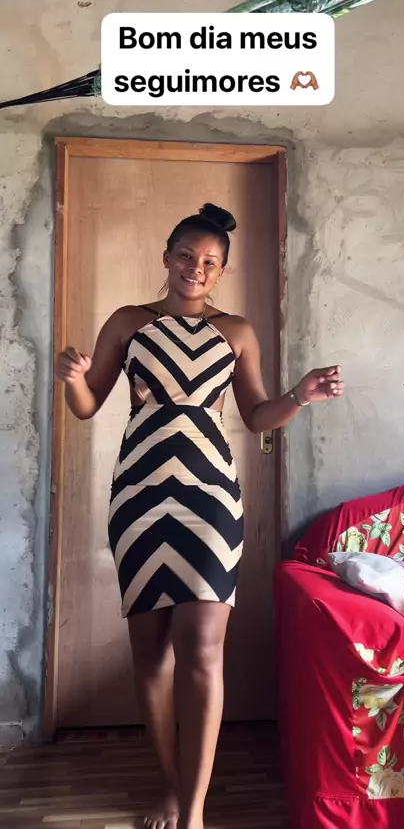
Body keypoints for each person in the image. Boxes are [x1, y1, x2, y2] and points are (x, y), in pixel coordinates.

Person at [55, 202, 344, 829]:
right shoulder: (129, 322)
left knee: (204, 653)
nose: (196, 268)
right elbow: (87, 404)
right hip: (138, 498)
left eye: (210, 262)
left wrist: (299, 396)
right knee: (152, 656)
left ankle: (193, 811)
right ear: (166, 257)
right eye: (186, 255)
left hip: (211, 499)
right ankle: (168, 786)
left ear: (221, 272)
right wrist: (71, 377)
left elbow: (257, 416)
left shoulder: (236, 332)